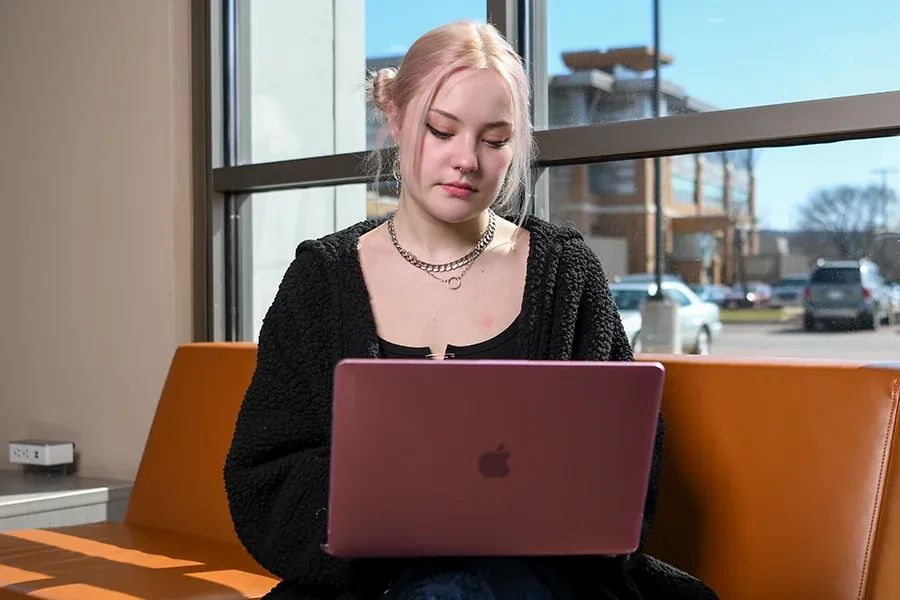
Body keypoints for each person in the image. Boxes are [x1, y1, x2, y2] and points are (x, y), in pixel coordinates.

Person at [223, 19, 718, 600]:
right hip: (370, 584)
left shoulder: (564, 272)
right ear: (396, 117)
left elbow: (629, 463)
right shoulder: (322, 279)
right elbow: (265, 473)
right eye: (441, 130)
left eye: (494, 139)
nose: (467, 161)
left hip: (544, 579)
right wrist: (392, 518)